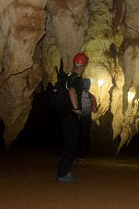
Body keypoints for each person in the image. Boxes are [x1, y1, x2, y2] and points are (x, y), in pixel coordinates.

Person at [57, 52, 88, 182]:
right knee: (72, 144)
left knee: (69, 143)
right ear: (83, 65)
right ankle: (63, 173)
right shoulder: (77, 79)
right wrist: (76, 109)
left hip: (64, 114)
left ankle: (64, 170)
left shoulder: (68, 76)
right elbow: (72, 91)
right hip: (71, 114)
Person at [77, 78, 98, 163]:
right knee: (84, 137)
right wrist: (97, 107)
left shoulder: (77, 95)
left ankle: (73, 154)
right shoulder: (91, 96)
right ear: (89, 87)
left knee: (76, 136)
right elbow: (94, 110)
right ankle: (81, 156)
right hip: (86, 118)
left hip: (77, 117)